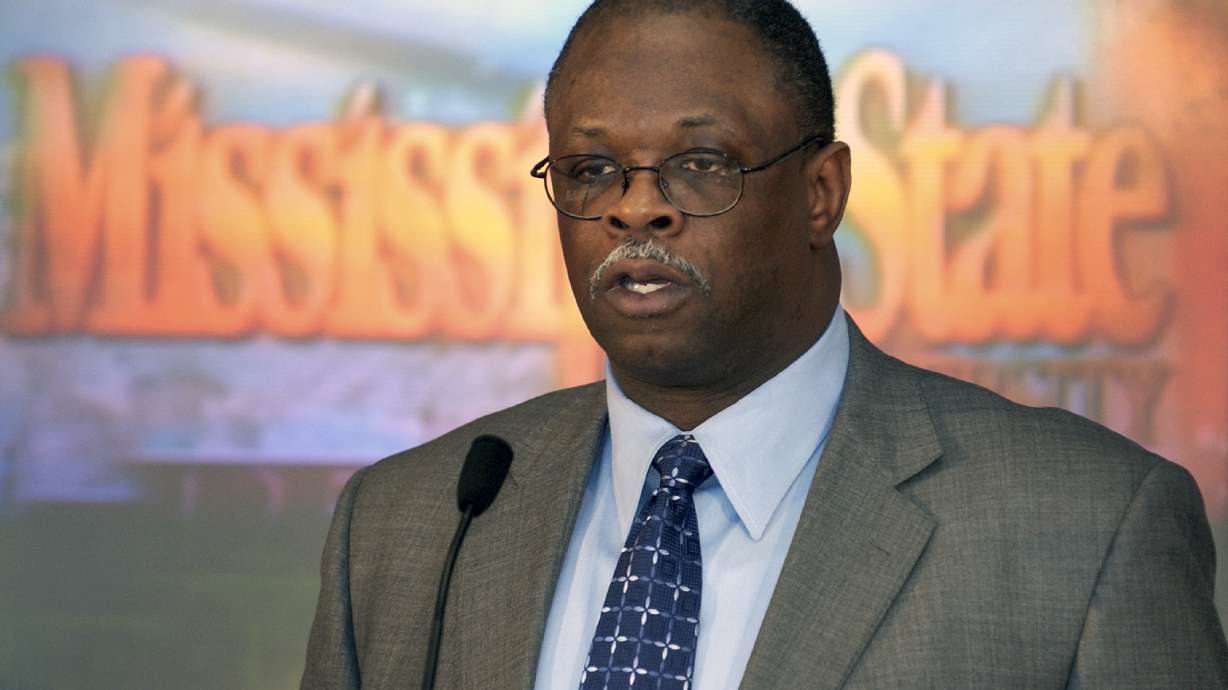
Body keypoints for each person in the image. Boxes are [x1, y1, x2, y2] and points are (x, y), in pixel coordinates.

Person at [301, 1, 1228, 688]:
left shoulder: (1087, 526)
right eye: (591, 170)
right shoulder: (408, 525)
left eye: (700, 164)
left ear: (821, 193)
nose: (635, 206)